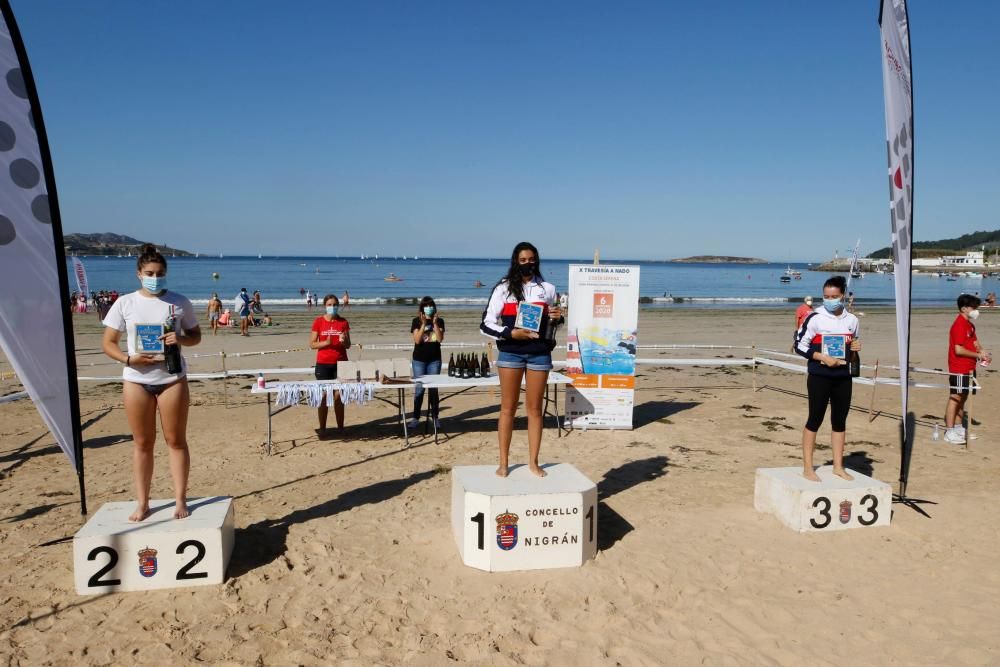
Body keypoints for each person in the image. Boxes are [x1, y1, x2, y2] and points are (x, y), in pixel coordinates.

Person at [101, 244, 202, 521]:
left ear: (166, 274)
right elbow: (108, 343)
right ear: (138, 274)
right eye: (149, 273)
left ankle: (180, 500)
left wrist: (180, 339)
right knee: (142, 443)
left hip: (171, 379)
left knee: (176, 441)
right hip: (136, 380)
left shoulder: (179, 302)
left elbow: (195, 335)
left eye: (159, 273)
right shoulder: (125, 303)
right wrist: (128, 359)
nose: (155, 278)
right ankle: (143, 502)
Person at [481, 241, 563, 478]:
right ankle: (504, 463)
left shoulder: (547, 288)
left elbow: (551, 324)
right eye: (523, 260)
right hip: (510, 353)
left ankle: (534, 462)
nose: (528, 263)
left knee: (535, 410)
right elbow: (486, 323)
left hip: (539, 353)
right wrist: (510, 333)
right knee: (507, 408)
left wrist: (557, 317)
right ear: (516, 261)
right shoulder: (503, 288)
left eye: (532, 259)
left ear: (537, 260)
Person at [794, 275, 861, 482]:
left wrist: (855, 350)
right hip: (819, 376)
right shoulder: (815, 317)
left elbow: (852, 351)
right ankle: (807, 467)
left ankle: (838, 467)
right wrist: (821, 356)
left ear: (843, 296)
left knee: (839, 421)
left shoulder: (852, 320)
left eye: (834, 296)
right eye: (825, 296)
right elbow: (799, 345)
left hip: (843, 376)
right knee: (815, 419)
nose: (829, 300)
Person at [943, 294, 990, 444]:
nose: (976, 310)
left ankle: (958, 428)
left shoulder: (969, 325)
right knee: (955, 397)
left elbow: (975, 342)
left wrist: (983, 353)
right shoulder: (958, 325)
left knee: (963, 398)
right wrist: (977, 354)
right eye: (974, 307)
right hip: (958, 367)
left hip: (969, 367)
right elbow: (958, 350)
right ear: (964, 308)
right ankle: (949, 431)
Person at [310, 294, 351, 438]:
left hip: (341, 363)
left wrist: (344, 340)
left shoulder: (343, 322)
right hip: (323, 363)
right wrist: (325, 343)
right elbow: (312, 344)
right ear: (325, 306)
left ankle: (341, 428)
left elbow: (348, 345)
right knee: (323, 397)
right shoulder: (319, 321)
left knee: (339, 396)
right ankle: (323, 428)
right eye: (329, 305)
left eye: (334, 304)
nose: (332, 307)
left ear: (338, 306)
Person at [408, 296, 445, 429]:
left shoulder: (440, 321)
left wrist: (434, 323)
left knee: (433, 390)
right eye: (426, 306)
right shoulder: (416, 322)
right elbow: (417, 340)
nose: (429, 308)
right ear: (422, 309)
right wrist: (423, 324)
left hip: (434, 360)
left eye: (431, 306)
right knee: (419, 390)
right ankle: (416, 417)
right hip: (419, 360)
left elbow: (440, 339)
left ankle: (435, 417)